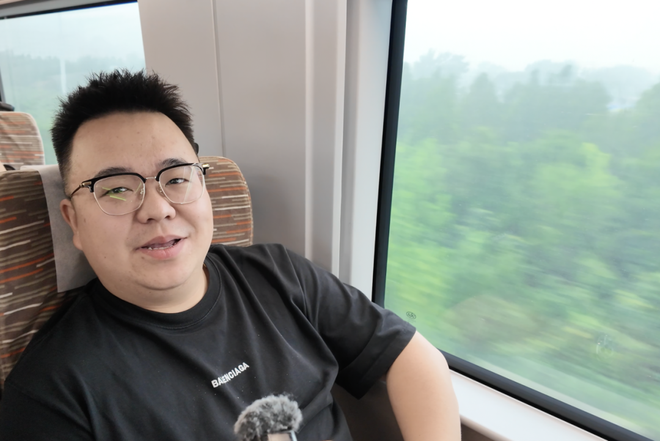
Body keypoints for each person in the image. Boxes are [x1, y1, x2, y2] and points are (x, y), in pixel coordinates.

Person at [0, 70, 460, 440]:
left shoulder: (279, 274)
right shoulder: (52, 392)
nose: (157, 209)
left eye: (176, 178)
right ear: (74, 222)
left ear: (203, 187)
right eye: (116, 189)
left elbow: (410, 356)